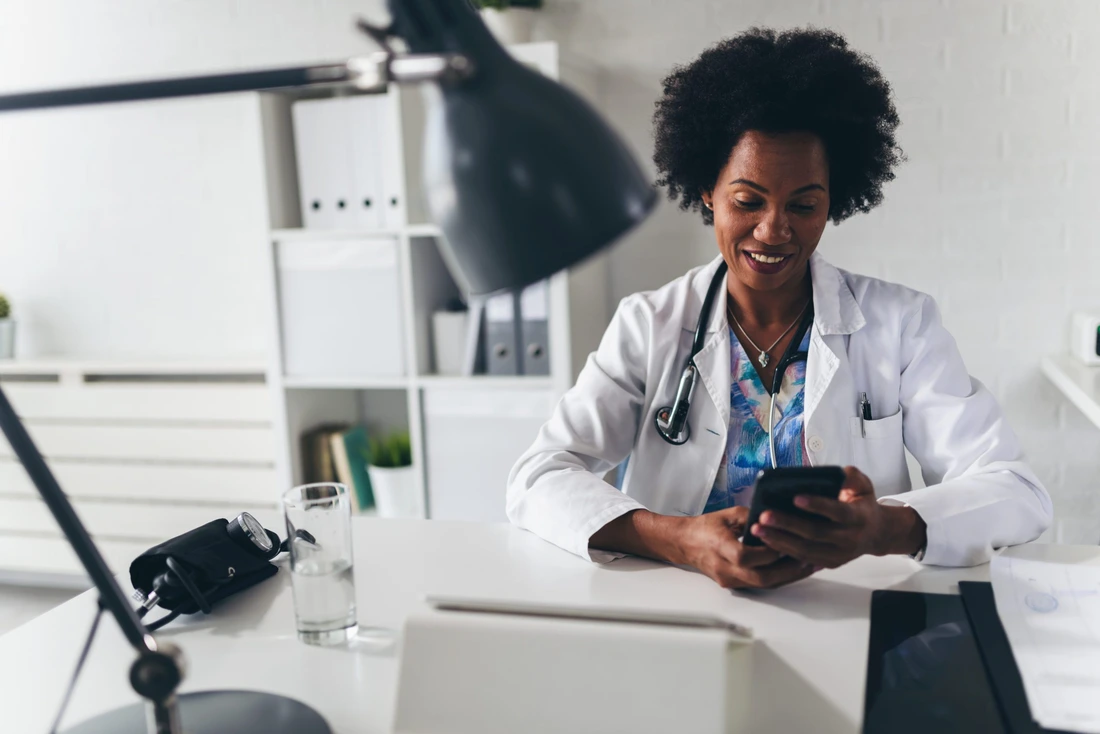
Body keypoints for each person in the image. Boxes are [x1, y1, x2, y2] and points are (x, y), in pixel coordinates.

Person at [505, 27, 1052, 590]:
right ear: (707, 193)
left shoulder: (901, 325)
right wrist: (679, 538)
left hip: (852, 612)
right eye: (747, 201)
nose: (773, 230)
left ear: (832, 202)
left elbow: (1016, 491)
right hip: (684, 615)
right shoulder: (650, 325)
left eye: (804, 204)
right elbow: (538, 476)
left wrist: (882, 529)